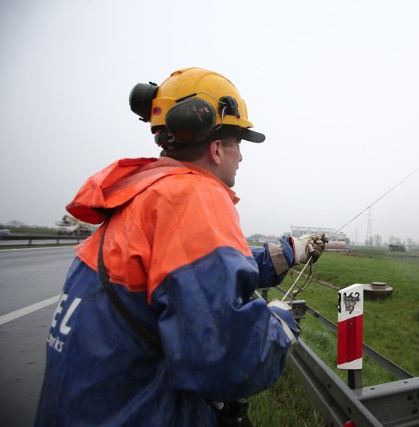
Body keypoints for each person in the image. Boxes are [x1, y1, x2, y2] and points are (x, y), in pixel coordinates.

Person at [34, 67, 327, 426]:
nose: (242, 157)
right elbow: (227, 360)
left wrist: (288, 251)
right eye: (238, 143)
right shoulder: (192, 196)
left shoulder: (146, 195)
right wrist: (279, 325)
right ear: (217, 148)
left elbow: (187, 272)